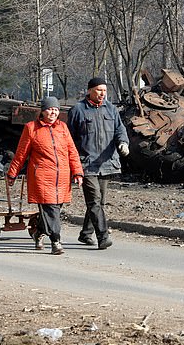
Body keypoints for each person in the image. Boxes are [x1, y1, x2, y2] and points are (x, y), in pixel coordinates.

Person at [6, 96, 83, 255]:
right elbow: (21, 154)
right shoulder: (31, 128)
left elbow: (72, 152)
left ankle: (38, 232)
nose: (53, 112)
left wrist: (77, 172)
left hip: (61, 178)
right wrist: (12, 174)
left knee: (54, 210)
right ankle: (56, 241)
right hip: (41, 177)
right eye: (50, 109)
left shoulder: (63, 128)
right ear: (42, 111)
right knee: (51, 210)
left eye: (56, 109)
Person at [67, 77, 130, 250]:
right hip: (86, 164)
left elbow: (120, 130)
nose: (102, 94)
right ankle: (103, 237)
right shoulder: (78, 110)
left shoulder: (111, 109)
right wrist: (72, 165)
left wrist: (123, 143)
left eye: (104, 90)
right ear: (89, 91)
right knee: (94, 201)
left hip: (106, 163)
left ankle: (86, 234)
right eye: (99, 90)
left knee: (99, 202)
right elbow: (69, 140)